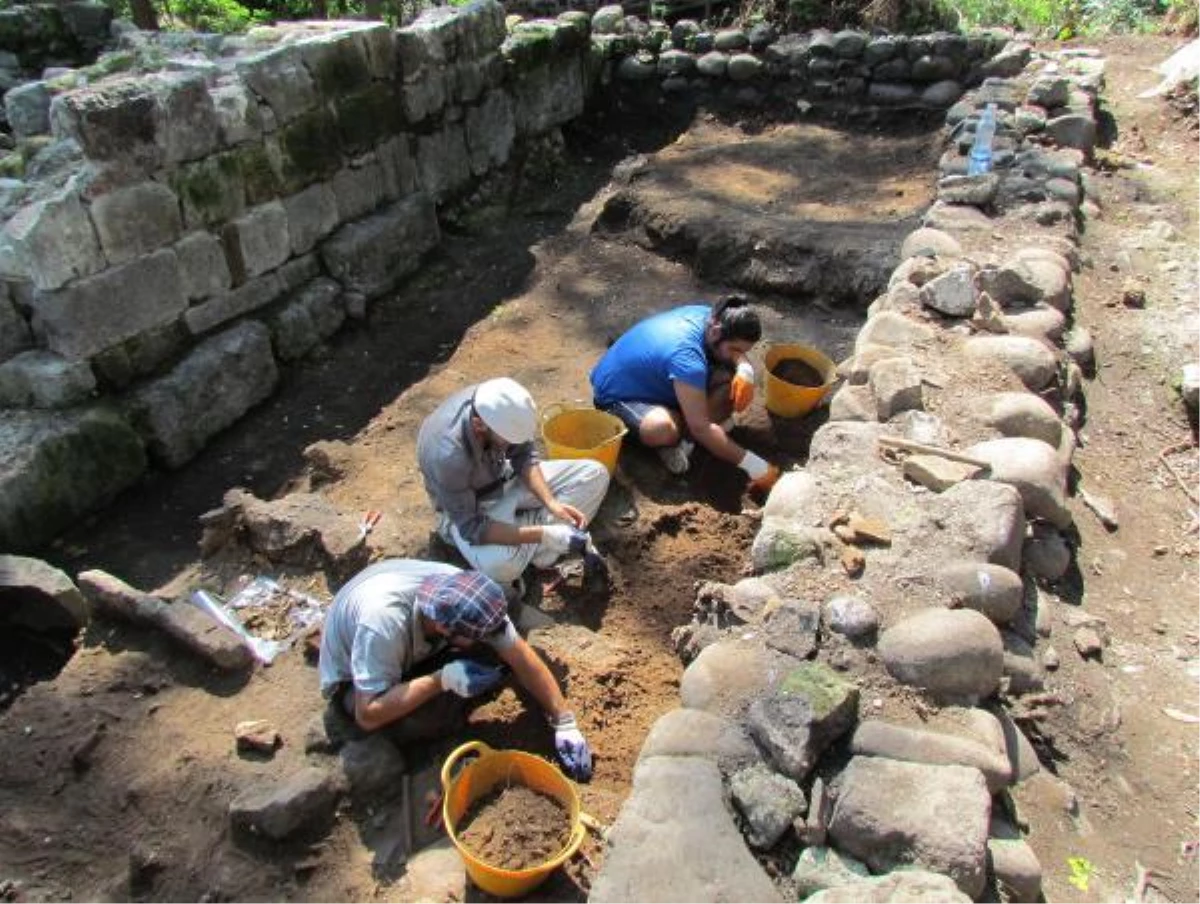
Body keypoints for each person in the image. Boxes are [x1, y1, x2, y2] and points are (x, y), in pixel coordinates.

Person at [318, 559, 593, 781]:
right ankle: (447, 703)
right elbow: (367, 714)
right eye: (483, 635)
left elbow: (520, 654)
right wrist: (442, 680)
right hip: (355, 681)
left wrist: (564, 719)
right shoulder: (383, 626)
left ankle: (458, 674)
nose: (493, 637)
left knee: (507, 601)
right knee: (428, 716)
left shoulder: (461, 589)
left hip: (415, 641)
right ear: (444, 628)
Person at [417, 377, 610, 598]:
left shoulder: (496, 404)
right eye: (508, 440)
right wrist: (544, 535)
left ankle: (536, 541)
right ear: (479, 426)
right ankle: (544, 540)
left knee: (594, 474)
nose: (512, 444)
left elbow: (524, 455)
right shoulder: (448, 458)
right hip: (472, 510)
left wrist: (552, 503)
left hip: (502, 478)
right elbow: (472, 529)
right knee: (502, 567)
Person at [589, 296, 781, 491]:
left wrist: (744, 368)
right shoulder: (688, 359)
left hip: (657, 378)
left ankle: (689, 422)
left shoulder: (714, 316)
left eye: (743, 351)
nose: (738, 355)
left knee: (731, 382)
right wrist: (756, 467)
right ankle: (679, 436)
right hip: (617, 395)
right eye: (735, 350)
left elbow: (731, 355)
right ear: (715, 332)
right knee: (663, 430)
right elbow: (702, 428)